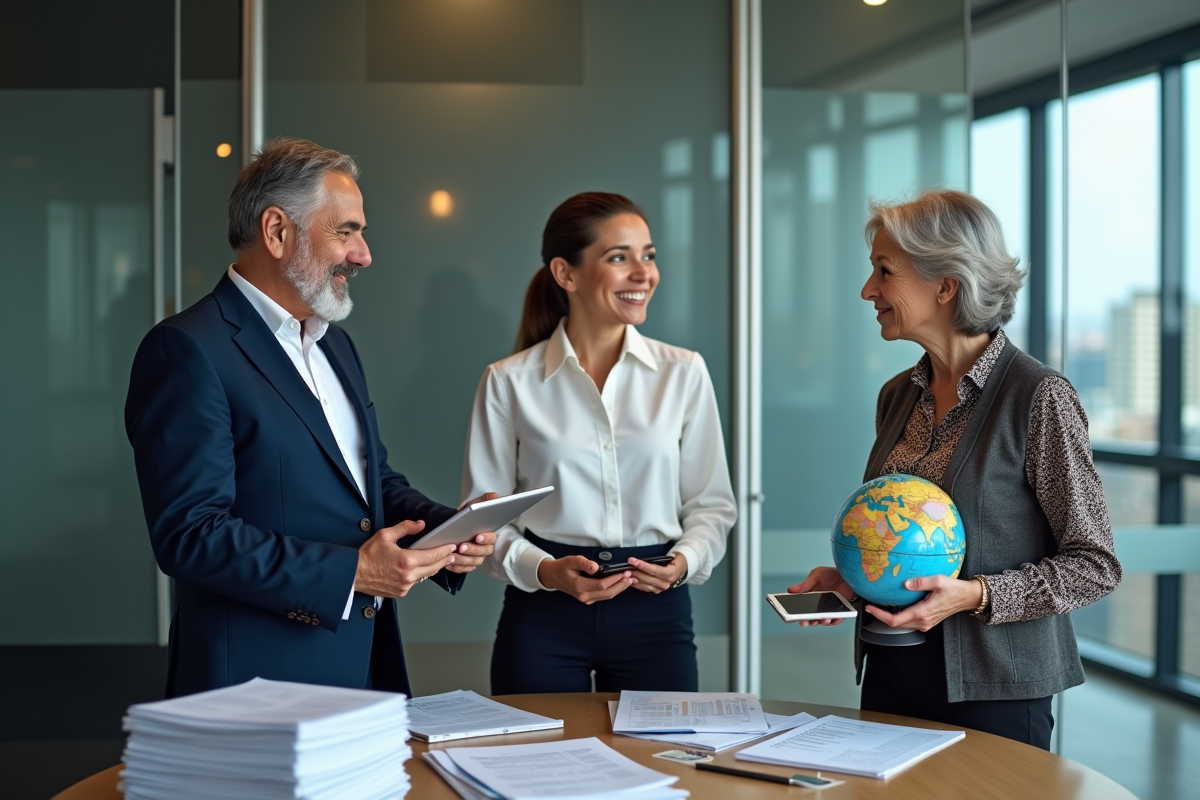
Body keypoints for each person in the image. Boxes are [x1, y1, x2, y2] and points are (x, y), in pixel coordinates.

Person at [125, 137, 497, 698]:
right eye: (346, 232)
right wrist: (353, 573)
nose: (363, 254)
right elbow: (190, 534)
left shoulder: (336, 345)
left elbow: (370, 483)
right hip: (253, 684)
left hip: (363, 670)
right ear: (277, 231)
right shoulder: (186, 349)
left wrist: (446, 530)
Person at [788, 189, 1121, 750]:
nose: (868, 290)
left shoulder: (1039, 397)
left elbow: (1095, 565)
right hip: (892, 672)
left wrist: (975, 595)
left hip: (995, 689)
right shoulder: (898, 396)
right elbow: (909, 536)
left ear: (945, 286)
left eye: (884, 271)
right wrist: (856, 578)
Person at [462, 192, 737, 694]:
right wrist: (546, 571)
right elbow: (484, 521)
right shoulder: (508, 381)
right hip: (543, 614)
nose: (644, 273)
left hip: (656, 614)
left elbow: (712, 505)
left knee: (660, 747)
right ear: (565, 274)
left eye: (648, 255)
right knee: (538, 749)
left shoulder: (684, 372)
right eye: (619, 257)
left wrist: (684, 563)